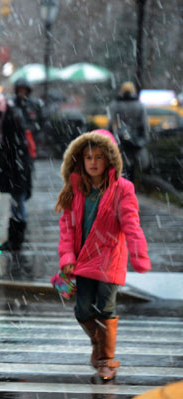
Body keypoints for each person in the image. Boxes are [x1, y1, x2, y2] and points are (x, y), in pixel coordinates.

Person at [55, 129, 151, 382]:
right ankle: (100, 344)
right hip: (82, 260)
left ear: (109, 159)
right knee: (82, 311)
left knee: (106, 308)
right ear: (80, 160)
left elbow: (131, 223)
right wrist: (67, 258)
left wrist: (139, 255)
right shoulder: (75, 189)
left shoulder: (123, 189)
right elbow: (67, 229)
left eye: (99, 157)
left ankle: (107, 361)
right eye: (88, 158)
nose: (93, 163)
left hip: (109, 258)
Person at [0, 87, 32, 251]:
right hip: (17, 169)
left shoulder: (10, 118)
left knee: (17, 204)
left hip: (17, 169)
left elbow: (7, 149)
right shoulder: (8, 115)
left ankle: (16, 241)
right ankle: (15, 240)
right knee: (16, 204)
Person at [107, 81, 150, 183]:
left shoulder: (115, 105)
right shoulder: (139, 105)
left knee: (121, 165)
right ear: (133, 91)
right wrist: (143, 139)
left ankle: (121, 186)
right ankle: (130, 189)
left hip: (119, 139)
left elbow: (110, 124)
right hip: (135, 141)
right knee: (133, 167)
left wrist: (109, 137)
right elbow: (144, 125)